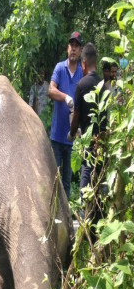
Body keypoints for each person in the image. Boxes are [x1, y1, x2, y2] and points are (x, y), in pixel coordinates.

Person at [68, 43, 106, 223]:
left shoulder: (81, 85)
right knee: (100, 189)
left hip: (89, 147)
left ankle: (84, 230)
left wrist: (71, 132)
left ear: (83, 64)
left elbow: (76, 116)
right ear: (95, 63)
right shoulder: (104, 85)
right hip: (103, 147)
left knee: (85, 189)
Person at [48, 31, 83, 199]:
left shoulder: (82, 73)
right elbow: (50, 90)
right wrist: (65, 97)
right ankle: (53, 216)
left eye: (77, 46)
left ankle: (66, 219)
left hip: (72, 137)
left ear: (80, 51)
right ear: (67, 48)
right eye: (72, 46)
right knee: (53, 179)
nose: (74, 49)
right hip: (57, 136)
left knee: (67, 181)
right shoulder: (60, 68)